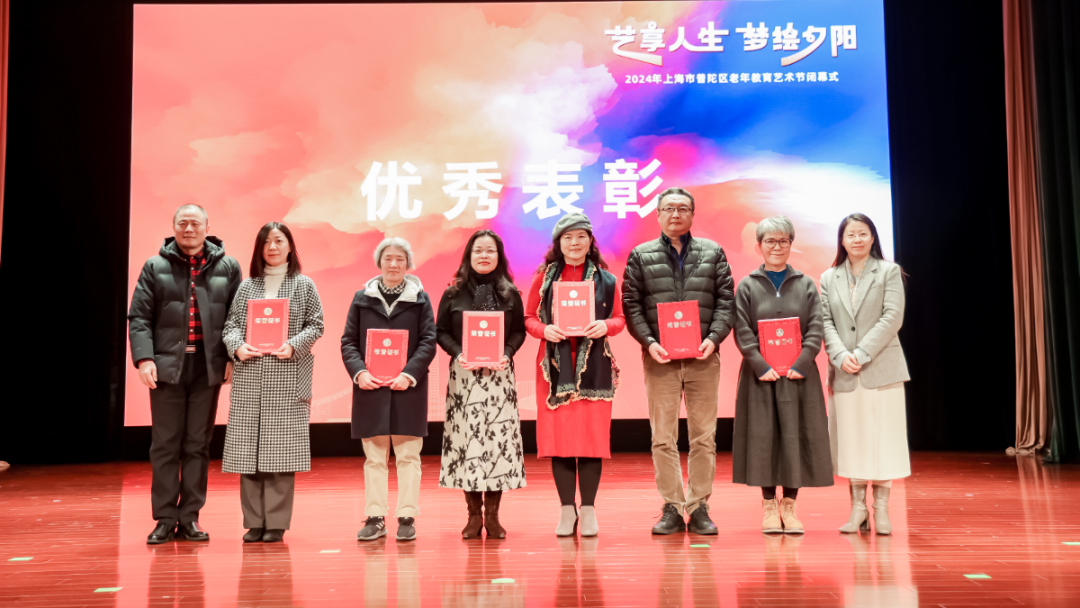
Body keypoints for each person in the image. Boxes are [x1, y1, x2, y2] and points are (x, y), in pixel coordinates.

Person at [623, 187, 735, 535]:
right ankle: (672, 505)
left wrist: (713, 338)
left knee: (704, 437)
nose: (676, 214)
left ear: (692, 214)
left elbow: (726, 301)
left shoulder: (712, 252)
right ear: (658, 214)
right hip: (660, 359)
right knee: (663, 437)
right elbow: (631, 305)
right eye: (669, 208)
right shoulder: (641, 255)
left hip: (703, 357)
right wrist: (650, 342)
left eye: (683, 208)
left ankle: (699, 505)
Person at [128, 204, 242, 544]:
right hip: (167, 369)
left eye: (195, 223)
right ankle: (165, 518)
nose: (188, 229)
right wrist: (144, 359)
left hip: (207, 368)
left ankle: (190, 516)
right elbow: (139, 317)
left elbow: (237, 317)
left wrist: (231, 357)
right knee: (165, 445)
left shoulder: (228, 267)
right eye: (182, 223)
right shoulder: (155, 266)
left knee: (197, 445)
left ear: (207, 227)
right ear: (174, 227)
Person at [221, 222, 325, 543]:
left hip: (287, 375)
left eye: (279, 240)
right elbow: (230, 325)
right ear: (259, 249)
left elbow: (316, 325)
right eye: (266, 242)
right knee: (248, 451)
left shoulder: (303, 285)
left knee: (281, 453)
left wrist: (293, 345)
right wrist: (237, 346)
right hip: (251, 376)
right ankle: (254, 522)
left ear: (290, 247)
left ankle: (276, 523)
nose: (273, 247)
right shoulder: (247, 286)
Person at [524, 213, 625, 537]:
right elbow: (528, 318)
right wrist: (544, 330)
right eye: (567, 237)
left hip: (594, 364)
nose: (574, 243)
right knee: (561, 440)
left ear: (590, 241)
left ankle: (589, 509)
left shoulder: (607, 280)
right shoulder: (543, 278)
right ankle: (567, 509)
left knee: (591, 439)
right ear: (558, 243)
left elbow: (620, 318)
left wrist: (604, 325)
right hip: (553, 367)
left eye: (581, 236)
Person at [731, 216, 834, 534]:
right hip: (760, 375)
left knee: (795, 435)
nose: (777, 247)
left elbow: (816, 326)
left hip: (798, 374)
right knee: (763, 437)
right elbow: (741, 328)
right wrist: (759, 364)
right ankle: (768, 507)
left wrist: (802, 362)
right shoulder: (747, 285)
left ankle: (789, 507)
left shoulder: (806, 284)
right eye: (770, 241)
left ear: (791, 244)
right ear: (759, 246)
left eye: (783, 241)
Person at [341, 237, 437, 542]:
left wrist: (409, 374)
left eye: (400, 259)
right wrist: (359, 373)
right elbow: (349, 342)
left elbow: (428, 341)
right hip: (371, 389)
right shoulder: (362, 298)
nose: (394, 264)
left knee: (409, 456)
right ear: (379, 263)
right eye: (388, 258)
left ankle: (407, 516)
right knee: (374, 457)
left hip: (408, 389)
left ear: (408, 264)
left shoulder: (420, 299)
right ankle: (375, 517)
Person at [820, 213, 910, 535]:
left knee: (884, 437)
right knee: (852, 439)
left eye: (862, 233)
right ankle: (857, 508)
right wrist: (840, 355)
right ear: (842, 241)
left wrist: (861, 353)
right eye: (850, 234)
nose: (856, 239)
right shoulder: (829, 277)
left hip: (881, 367)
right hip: (844, 370)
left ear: (873, 237)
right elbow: (825, 321)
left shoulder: (888, 271)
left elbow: (892, 317)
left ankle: (881, 508)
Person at [436, 230, 527, 539]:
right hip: (464, 378)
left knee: (498, 446)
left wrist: (507, 353)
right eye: (478, 251)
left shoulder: (510, 293)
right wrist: (458, 353)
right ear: (469, 256)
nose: (484, 255)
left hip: (499, 377)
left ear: (499, 256)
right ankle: (474, 516)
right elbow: (441, 331)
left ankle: (493, 516)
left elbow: (518, 331)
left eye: (490, 250)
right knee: (468, 445)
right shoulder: (453, 293)